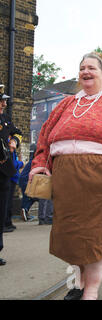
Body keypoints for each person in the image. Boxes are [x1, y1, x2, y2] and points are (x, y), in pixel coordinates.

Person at [30, 52, 102, 299]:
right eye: (82, 68)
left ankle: (91, 290)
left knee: (96, 234)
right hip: (66, 178)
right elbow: (44, 137)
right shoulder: (66, 104)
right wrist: (40, 163)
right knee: (72, 235)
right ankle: (79, 282)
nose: (85, 72)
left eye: (92, 68)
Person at [0, 91, 23, 266]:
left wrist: (14, 140)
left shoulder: (6, 118)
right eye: (1, 101)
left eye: (4, 101)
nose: (4, 104)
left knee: (1, 211)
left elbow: (18, 132)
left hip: (4, 171)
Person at [3, 148, 24, 232]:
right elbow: (12, 163)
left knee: (9, 202)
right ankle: (5, 223)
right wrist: (21, 163)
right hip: (10, 177)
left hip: (13, 178)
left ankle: (8, 222)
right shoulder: (8, 145)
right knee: (7, 202)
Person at [18, 145, 38, 222]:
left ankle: (25, 211)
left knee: (29, 197)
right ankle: (25, 210)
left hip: (23, 180)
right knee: (32, 197)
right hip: (26, 181)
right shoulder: (34, 162)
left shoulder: (31, 161)